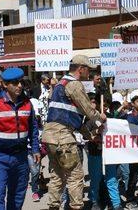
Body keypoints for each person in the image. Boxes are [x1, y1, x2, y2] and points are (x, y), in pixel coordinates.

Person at [42, 55, 106, 210]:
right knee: (75, 177)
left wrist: (90, 137)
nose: (89, 73)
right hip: (63, 137)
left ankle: (53, 207)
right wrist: (101, 118)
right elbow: (88, 110)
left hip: (50, 136)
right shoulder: (74, 84)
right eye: (88, 70)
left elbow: (72, 119)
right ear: (81, 69)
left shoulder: (59, 85)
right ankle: (76, 207)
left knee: (57, 176)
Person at [0, 67, 40, 210]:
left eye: (20, 82)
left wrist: (35, 149)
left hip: (20, 157)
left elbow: (33, 128)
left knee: (18, 194)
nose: (20, 85)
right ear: (4, 85)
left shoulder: (27, 103)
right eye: (15, 83)